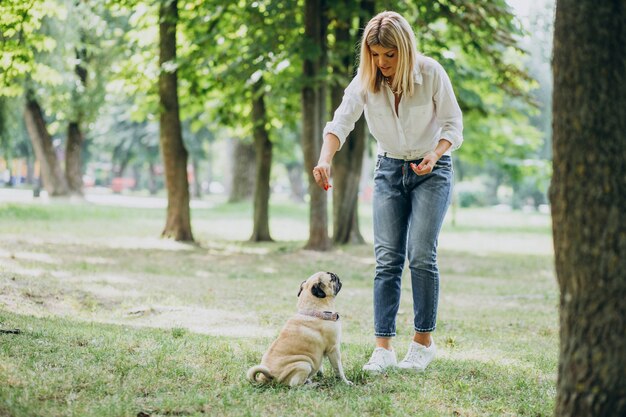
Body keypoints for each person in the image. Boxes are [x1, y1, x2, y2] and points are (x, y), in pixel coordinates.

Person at [312, 11, 463, 373]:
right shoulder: (366, 80)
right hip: (389, 170)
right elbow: (342, 119)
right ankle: (383, 348)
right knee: (387, 260)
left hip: (432, 170)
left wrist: (436, 153)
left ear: (405, 50)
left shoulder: (430, 73)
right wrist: (325, 158)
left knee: (422, 255)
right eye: (375, 54)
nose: (382, 63)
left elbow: (453, 124)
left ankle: (423, 343)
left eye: (390, 55)